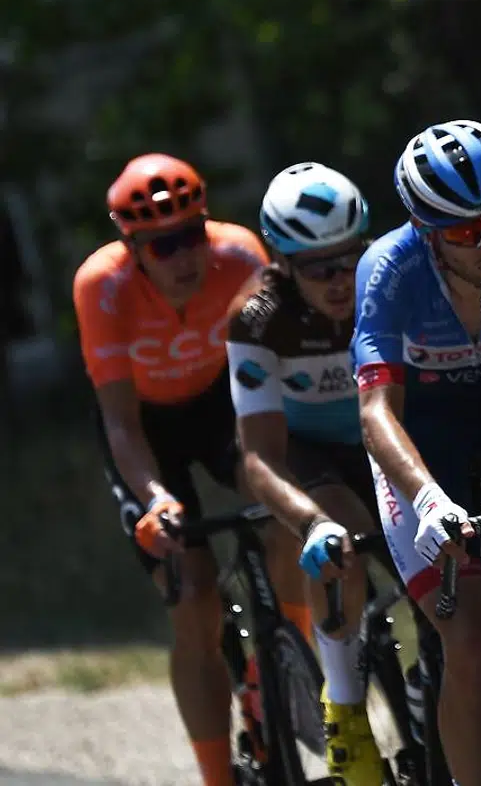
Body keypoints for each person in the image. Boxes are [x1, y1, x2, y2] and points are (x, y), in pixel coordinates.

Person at [74, 153, 308, 786]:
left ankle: (291, 655)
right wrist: (156, 498)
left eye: (191, 236)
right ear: (133, 248)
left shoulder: (240, 256)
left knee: (290, 508)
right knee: (194, 592)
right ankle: (216, 777)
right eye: (162, 245)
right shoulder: (103, 286)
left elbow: (280, 376)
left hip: (222, 407)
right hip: (145, 428)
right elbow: (120, 424)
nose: (184, 257)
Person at [353, 119, 481, 786]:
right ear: (429, 232)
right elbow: (375, 412)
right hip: (420, 443)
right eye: (464, 232)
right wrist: (429, 500)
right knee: (470, 637)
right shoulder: (390, 269)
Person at [225, 162, 384, 785]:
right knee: (342, 539)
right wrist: (312, 524)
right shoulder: (257, 318)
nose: (341, 279)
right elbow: (259, 457)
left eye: (351, 258)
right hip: (310, 453)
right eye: (320, 268)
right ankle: (344, 712)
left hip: (385, 438)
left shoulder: (386, 281)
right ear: (285, 265)